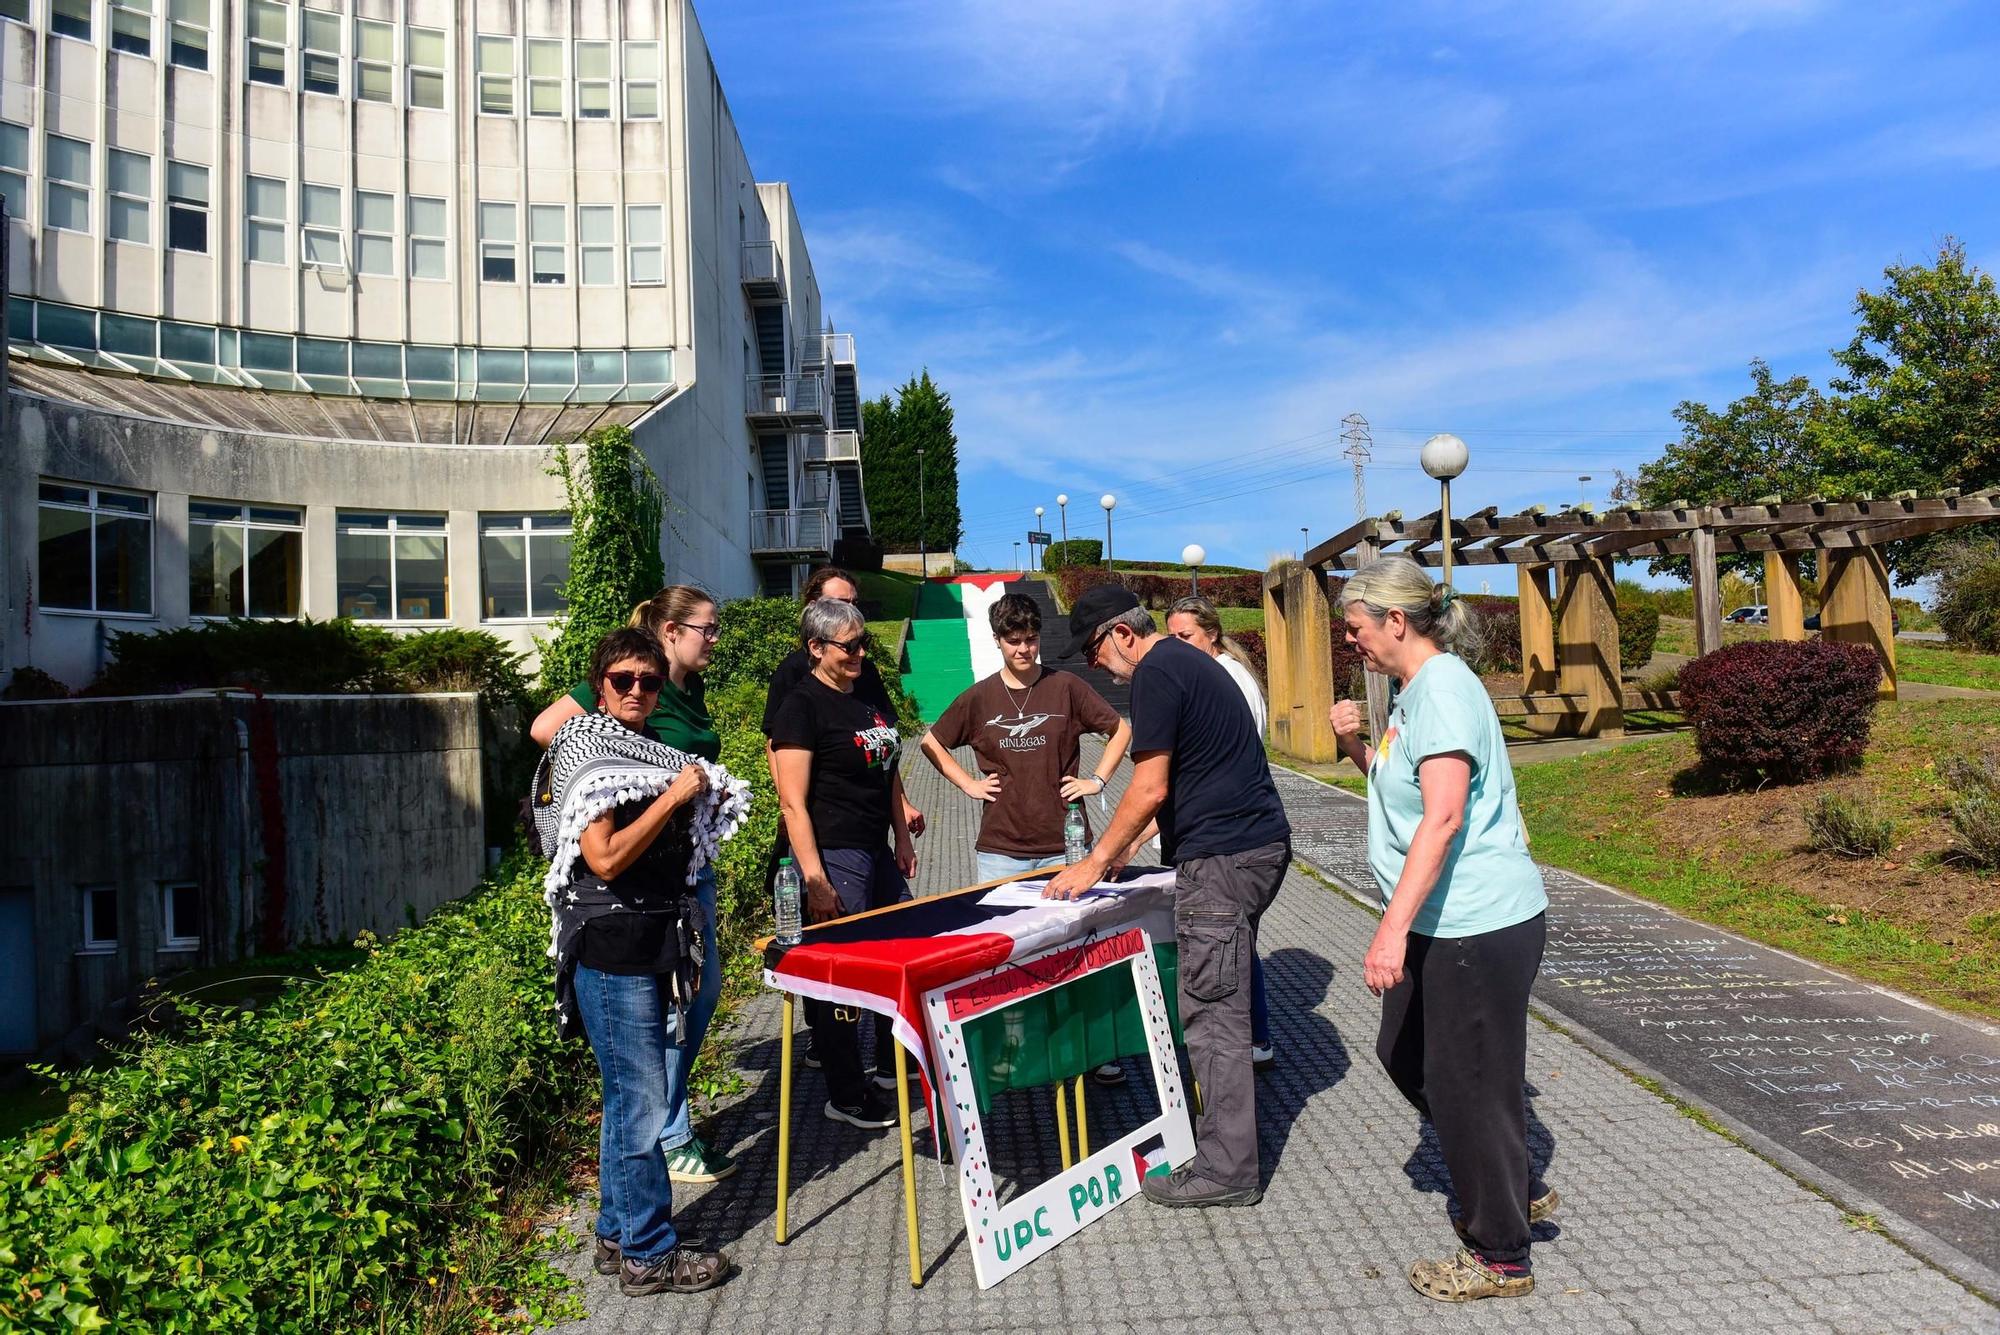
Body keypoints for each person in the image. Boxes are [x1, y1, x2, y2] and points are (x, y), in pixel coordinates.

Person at [1327, 555, 1551, 1303]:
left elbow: (1445, 814)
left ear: (1395, 620)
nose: (1350, 640)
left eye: (1355, 627)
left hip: (1474, 924)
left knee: (1469, 1085)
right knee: (1405, 1054)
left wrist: (1389, 931)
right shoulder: (1413, 694)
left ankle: (1501, 1253)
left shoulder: (1443, 689)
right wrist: (1357, 747)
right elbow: (1400, 793)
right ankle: (1506, 1174)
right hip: (1440, 919)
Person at [1045, 585, 1291, 1209]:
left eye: (1095, 650)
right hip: (1255, 846)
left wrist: (1096, 863)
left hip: (1223, 860)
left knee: (1212, 1016)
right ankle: (1225, 1154)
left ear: (1122, 634)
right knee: (1221, 996)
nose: (1096, 665)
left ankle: (1227, 1169)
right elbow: (1192, 776)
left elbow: (1150, 786)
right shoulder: (1193, 663)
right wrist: (1129, 848)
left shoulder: (1155, 672)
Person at [530, 588, 736, 1185]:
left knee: (698, 998)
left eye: (645, 685)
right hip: (631, 883)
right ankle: (666, 1146)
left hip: (686, 868)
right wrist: (618, 770)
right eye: (707, 628)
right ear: (671, 630)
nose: (715, 639)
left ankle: (667, 1136)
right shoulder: (622, 686)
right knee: (663, 1021)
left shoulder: (685, 690)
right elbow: (549, 730)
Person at [561, 628, 731, 1296]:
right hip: (613, 950)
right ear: (598, 685)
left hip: (643, 941)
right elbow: (602, 856)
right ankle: (649, 1253)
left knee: (627, 1099)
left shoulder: (636, 750)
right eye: (623, 679)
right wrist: (674, 796)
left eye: (648, 680)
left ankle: (615, 1232)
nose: (637, 690)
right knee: (643, 1103)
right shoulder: (592, 751)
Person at [922, 591, 1134, 1086]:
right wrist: (969, 784)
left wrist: (1097, 781)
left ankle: (1089, 1047)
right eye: (1014, 641)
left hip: (1067, 848)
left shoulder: (1066, 687)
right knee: (1004, 955)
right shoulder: (980, 697)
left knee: (1078, 947)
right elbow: (932, 741)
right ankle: (1013, 1044)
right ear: (998, 641)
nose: (1024, 649)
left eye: (1031, 639)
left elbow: (1119, 729)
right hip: (1001, 850)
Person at [770, 597, 918, 1129]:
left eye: (863, 643)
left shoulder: (864, 700)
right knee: (842, 975)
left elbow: (889, 769)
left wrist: (901, 837)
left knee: (898, 953)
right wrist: (813, 877)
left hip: (874, 850)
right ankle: (846, 1091)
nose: (860, 653)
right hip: (833, 853)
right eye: (849, 645)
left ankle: (888, 1066)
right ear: (816, 647)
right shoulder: (802, 705)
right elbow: (792, 802)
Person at [1166, 595, 1277, 1072]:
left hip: (1228, 834)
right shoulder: (1221, 671)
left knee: (1228, 940)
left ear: (1210, 634)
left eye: (1185, 637)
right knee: (1236, 938)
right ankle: (1257, 1036)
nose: (1178, 647)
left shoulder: (1227, 678)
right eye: (1171, 638)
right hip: (1236, 831)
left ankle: (1251, 1040)